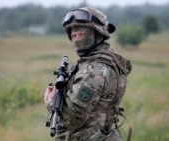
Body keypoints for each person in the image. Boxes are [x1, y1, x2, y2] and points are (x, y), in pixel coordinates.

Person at [44, 7, 132, 141]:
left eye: (81, 33)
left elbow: (71, 119)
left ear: (98, 33)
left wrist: (50, 101)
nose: (76, 36)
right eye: (73, 33)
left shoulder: (95, 70)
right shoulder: (108, 59)